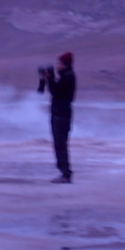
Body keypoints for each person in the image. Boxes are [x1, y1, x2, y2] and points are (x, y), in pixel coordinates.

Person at [39, 51, 76, 183]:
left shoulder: (68, 77)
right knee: (59, 144)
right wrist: (50, 78)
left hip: (61, 115)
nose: (57, 65)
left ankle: (66, 174)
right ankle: (64, 173)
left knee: (60, 145)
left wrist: (49, 78)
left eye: (59, 63)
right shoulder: (65, 76)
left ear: (66, 64)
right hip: (59, 114)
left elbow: (55, 91)